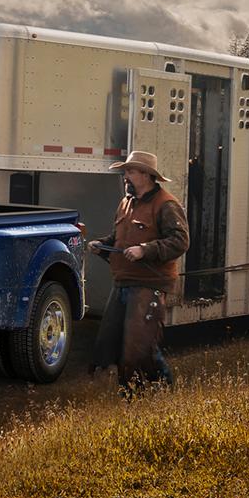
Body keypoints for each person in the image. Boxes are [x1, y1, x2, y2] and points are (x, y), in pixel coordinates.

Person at [87, 149, 190, 388]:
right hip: (123, 281)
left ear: (146, 175)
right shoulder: (126, 203)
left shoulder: (166, 204)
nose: (125, 177)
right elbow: (119, 238)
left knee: (137, 347)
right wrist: (102, 245)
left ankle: (148, 394)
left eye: (130, 172)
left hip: (149, 284)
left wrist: (145, 249)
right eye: (125, 172)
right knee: (112, 342)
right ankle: (154, 391)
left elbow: (180, 241)